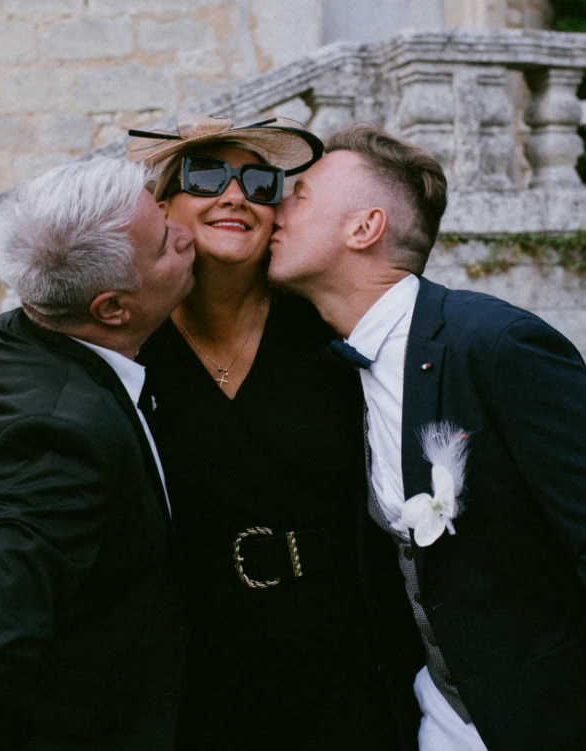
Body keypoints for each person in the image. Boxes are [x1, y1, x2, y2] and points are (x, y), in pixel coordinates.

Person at [267, 122, 586, 750]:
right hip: (437, 721)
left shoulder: (497, 347)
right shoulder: (334, 366)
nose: (276, 208)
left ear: (365, 228)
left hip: (553, 726)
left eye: (301, 194)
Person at [0, 157, 196, 751]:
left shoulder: (17, 335)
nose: (183, 232)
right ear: (111, 309)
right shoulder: (58, 441)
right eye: (162, 245)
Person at [126, 115, 401, 749]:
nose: (234, 194)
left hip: (335, 653)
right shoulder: (131, 343)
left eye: (258, 182)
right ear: (163, 206)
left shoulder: (325, 328)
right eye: (206, 175)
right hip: (188, 665)